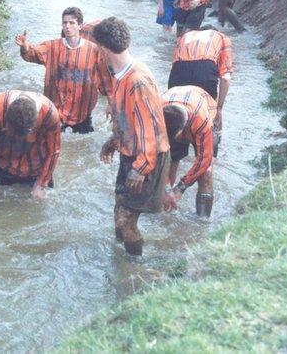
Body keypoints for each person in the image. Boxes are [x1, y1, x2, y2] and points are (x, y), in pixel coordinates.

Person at [94, 17, 170, 256]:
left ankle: (133, 272)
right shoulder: (120, 74)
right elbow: (128, 118)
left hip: (147, 159)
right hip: (131, 153)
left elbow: (149, 129)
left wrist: (141, 167)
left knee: (127, 221)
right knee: (119, 213)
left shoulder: (137, 80)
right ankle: (120, 258)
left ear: (104, 48)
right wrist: (114, 141)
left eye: (98, 47)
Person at [15, 7, 112, 134]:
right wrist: (24, 46)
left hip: (82, 112)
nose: (67, 26)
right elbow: (32, 54)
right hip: (55, 111)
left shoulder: (94, 51)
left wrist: (111, 104)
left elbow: (106, 81)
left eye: (72, 23)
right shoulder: (51, 46)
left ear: (80, 26)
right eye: (64, 23)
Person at [0, 90, 61, 200]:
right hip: (4, 164)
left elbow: (53, 152)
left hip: (37, 170)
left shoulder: (49, 115)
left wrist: (40, 185)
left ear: (33, 126)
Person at [162, 86, 219, 217]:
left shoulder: (203, 121)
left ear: (183, 131)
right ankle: (164, 208)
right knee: (169, 162)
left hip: (204, 109)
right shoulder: (155, 113)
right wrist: (166, 189)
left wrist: (180, 188)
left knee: (206, 173)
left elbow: (203, 161)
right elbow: (155, 153)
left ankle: (202, 221)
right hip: (175, 105)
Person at [167, 27, 232, 130]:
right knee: (207, 118)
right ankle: (213, 138)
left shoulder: (185, 37)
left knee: (176, 116)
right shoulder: (221, 37)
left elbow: (175, 64)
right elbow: (225, 78)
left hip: (178, 71)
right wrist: (218, 108)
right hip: (204, 70)